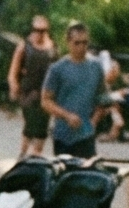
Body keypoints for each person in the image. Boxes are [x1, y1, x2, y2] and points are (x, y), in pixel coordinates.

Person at [40, 20, 111, 160]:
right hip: (63, 135)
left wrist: (94, 122)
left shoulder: (95, 67)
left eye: (85, 43)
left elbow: (103, 98)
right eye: (77, 43)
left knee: (86, 175)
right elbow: (46, 101)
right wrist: (66, 116)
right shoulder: (57, 69)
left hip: (86, 135)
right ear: (68, 42)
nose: (81, 47)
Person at [8, 16, 56, 158]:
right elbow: (14, 69)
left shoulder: (52, 47)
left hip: (46, 92)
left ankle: (36, 155)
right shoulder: (25, 46)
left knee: (42, 126)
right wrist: (13, 85)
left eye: (43, 30)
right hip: (29, 91)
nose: (39, 33)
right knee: (30, 123)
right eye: (36, 30)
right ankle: (23, 153)